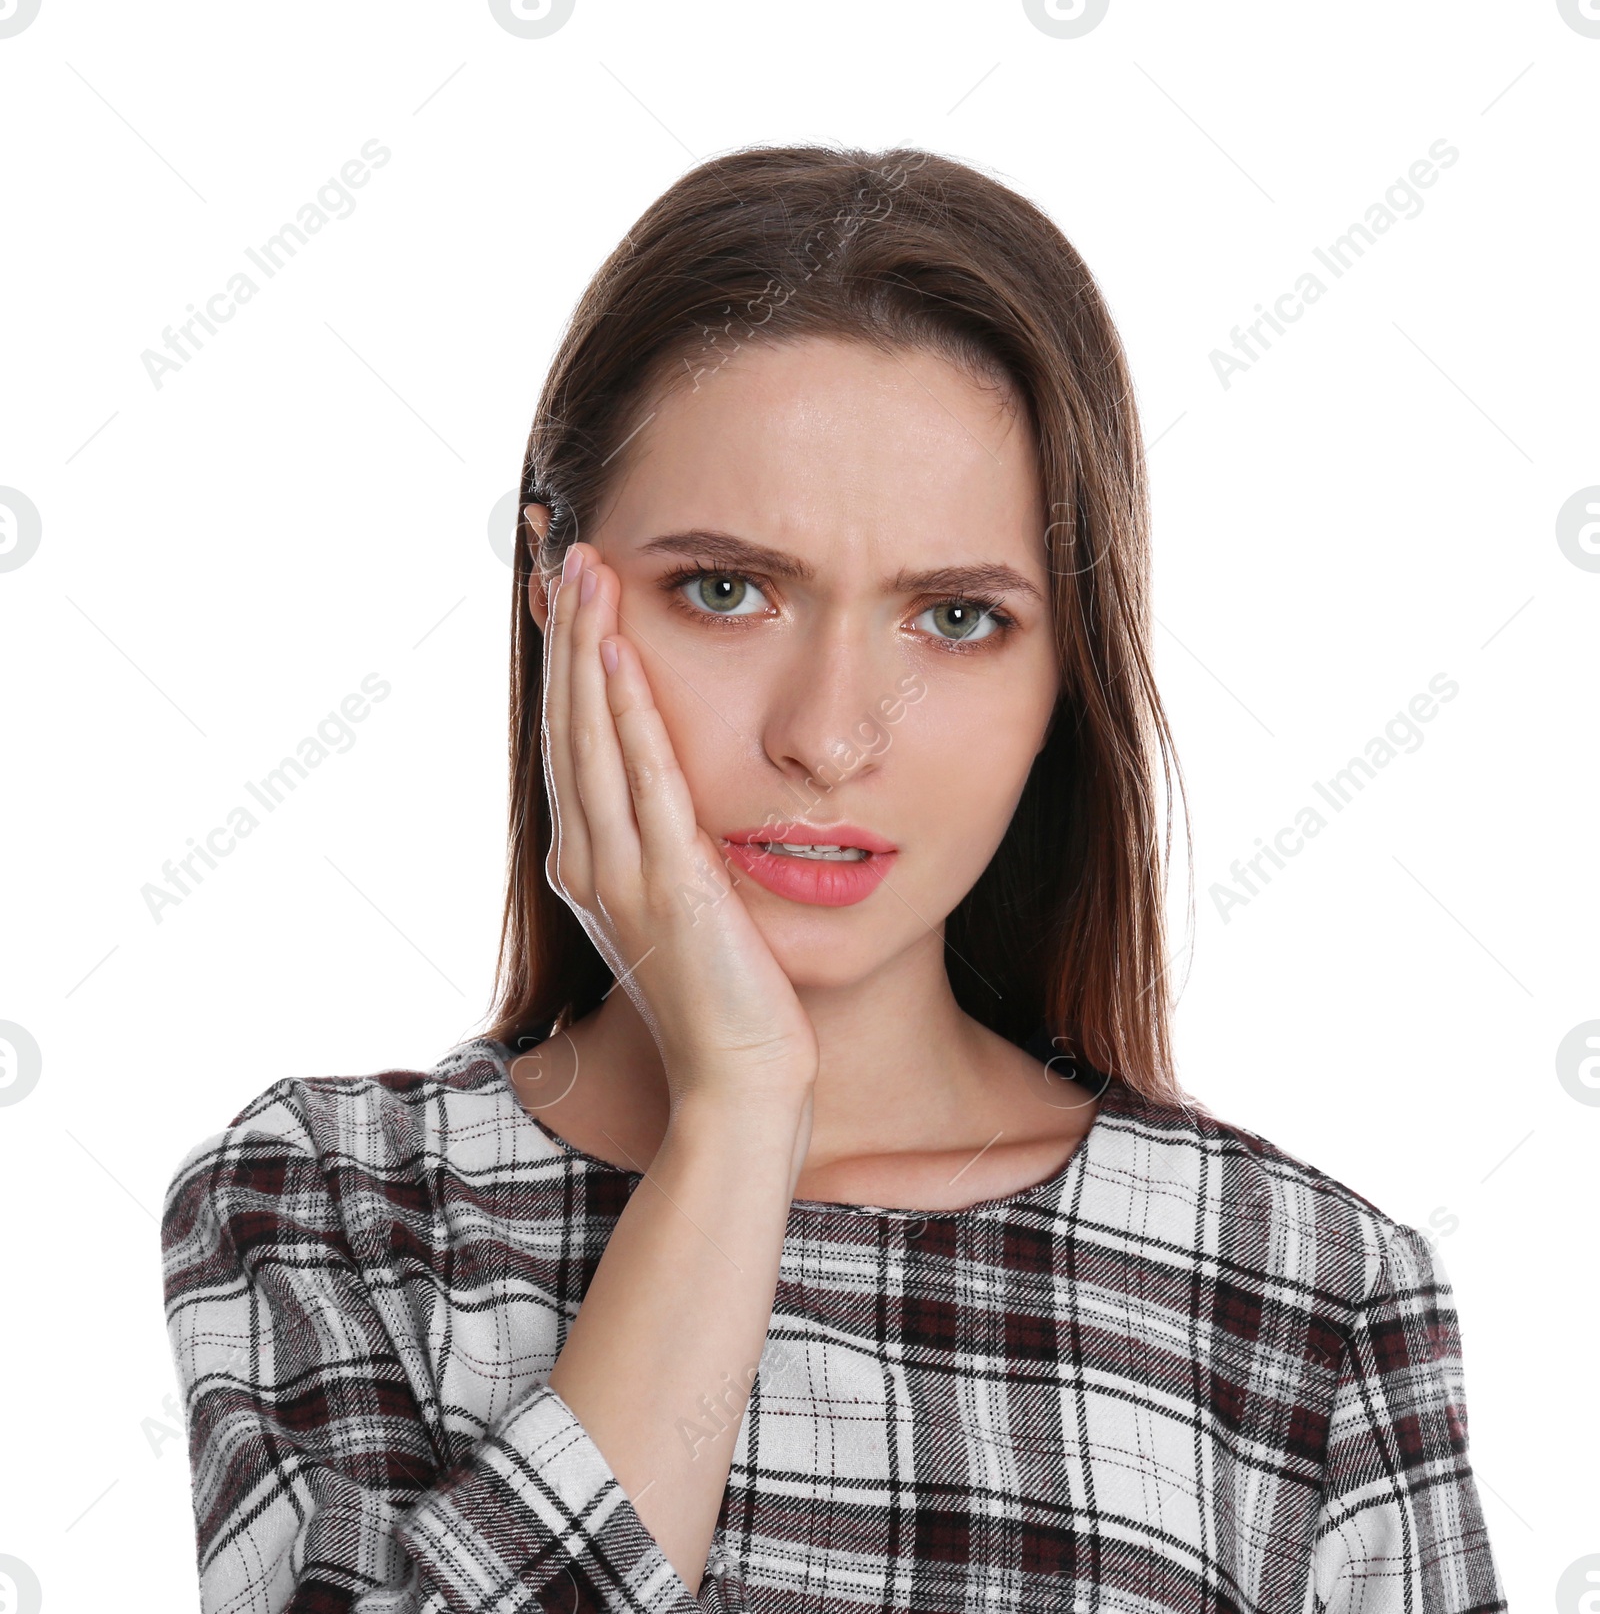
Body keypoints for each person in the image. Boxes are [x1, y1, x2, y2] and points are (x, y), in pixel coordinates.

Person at [161, 144, 1505, 1613]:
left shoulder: (1307, 1292)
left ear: (1070, 669)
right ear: (554, 584)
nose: (827, 734)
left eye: (953, 616)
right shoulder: (333, 1203)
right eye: (727, 590)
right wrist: (740, 1108)